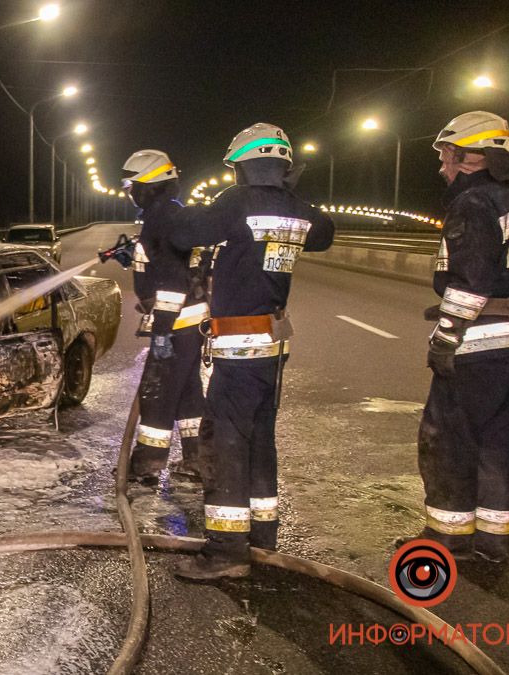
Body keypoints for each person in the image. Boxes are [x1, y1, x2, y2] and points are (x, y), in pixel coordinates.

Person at [169, 123, 335, 580]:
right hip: (272, 349)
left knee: (225, 442)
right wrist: (289, 197)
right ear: (282, 167)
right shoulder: (298, 211)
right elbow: (325, 231)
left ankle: (225, 550)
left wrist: (168, 209)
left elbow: (188, 233)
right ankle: (263, 538)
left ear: (243, 167)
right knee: (261, 440)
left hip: (239, 348)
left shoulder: (236, 203)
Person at [396, 111, 509, 563]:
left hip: (476, 345)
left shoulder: (472, 204)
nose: (442, 166)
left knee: (448, 439)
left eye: (446, 155)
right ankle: (494, 541)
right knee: (497, 442)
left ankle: (447, 537)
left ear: (467, 157)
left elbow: (471, 279)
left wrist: (447, 334)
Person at [119, 149, 209, 483]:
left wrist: (161, 332)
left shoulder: (161, 218)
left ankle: (146, 467)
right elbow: (172, 267)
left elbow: (172, 285)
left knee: (156, 396)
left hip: (176, 324)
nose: (129, 190)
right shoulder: (172, 214)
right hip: (190, 322)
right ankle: (196, 459)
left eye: (131, 183)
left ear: (149, 183)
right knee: (187, 394)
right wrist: (136, 260)